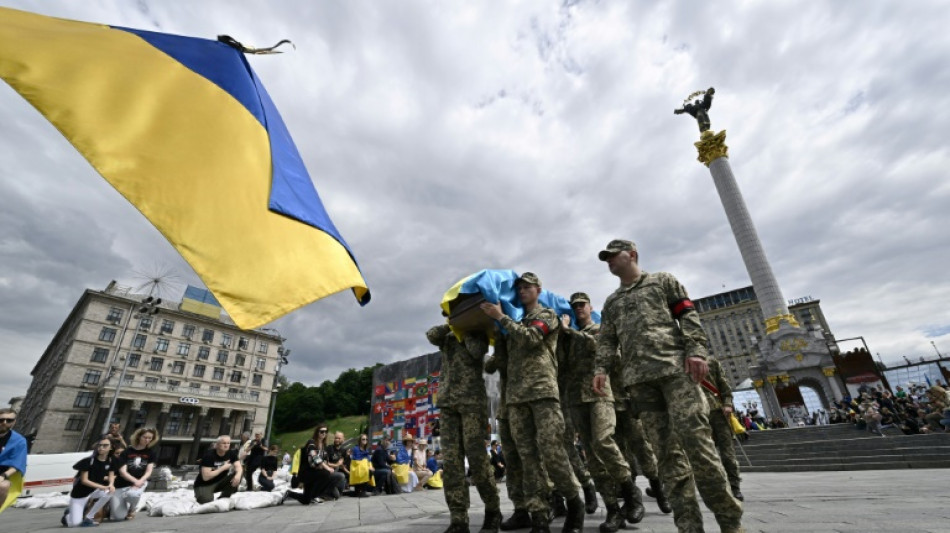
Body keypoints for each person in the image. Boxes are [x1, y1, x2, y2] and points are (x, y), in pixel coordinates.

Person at [592, 239, 743, 533]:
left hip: (676, 373)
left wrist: (696, 350)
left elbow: (687, 315)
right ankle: (689, 527)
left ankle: (730, 523)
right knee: (667, 458)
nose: (609, 261)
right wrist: (600, 369)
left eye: (614, 255)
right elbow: (608, 340)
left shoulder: (663, 281)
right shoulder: (611, 302)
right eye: (605, 258)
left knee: (699, 448)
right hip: (639, 383)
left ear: (632, 255)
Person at [480, 272, 585, 533]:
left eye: (528, 287)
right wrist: (496, 335)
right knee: (528, 458)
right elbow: (500, 362)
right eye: (520, 288)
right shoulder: (511, 324)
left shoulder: (546, 315)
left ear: (538, 289)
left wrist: (500, 317)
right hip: (516, 398)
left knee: (552, 451)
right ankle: (538, 514)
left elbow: (531, 339)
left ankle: (575, 503)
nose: (523, 291)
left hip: (543, 393)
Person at [559, 291, 644, 532]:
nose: (578, 309)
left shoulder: (600, 329)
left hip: (599, 394)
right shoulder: (569, 338)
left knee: (603, 440)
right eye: (574, 306)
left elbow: (605, 351)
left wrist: (570, 332)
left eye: (582, 305)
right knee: (592, 456)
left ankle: (631, 494)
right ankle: (613, 510)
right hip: (576, 399)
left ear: (590, 306)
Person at [427, 323, 501, 533]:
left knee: (477, 459)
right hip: (447, 403)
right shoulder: (447, 333)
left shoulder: (477, 331)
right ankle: (458, 518)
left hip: (471, 402)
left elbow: (477, 353)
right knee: (451, 463)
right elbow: (431, 335)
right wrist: (451, 324)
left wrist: (465, 330)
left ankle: (493, 510)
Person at [701, 358, 744, 501]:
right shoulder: (679, 363)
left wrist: (727, 404)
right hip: (696, 416)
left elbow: (724, 385)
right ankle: (716, 487)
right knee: (705, 455)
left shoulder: (711, 362)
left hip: (718, 413)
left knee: (727, 453)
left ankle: (734, 486)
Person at [65, 437, 117, 527]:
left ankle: (89, 517)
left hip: (93, 492)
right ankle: (68, 515)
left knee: (110, 492)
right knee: (74, 524)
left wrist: (111, 485)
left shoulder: (111, 460)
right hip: (80, 495)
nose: (101, 447)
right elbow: (84, 480)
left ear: (111, 447)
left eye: (105, 445)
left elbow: (111, 475)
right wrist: (103, 487)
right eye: (100, 445)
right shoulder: (89, 461)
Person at [110, 427, 159, 520]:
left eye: (150, 438)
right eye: (145, 437)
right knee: (118, 517)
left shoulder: (151, 453)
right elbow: (122, 472)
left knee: (133, 494)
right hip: (121, 484)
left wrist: (139, 482)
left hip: (140, 481)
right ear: (138, 437)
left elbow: (148, 471)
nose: (147, 440)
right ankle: (122, 505)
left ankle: (132, 509)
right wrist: (135, 481)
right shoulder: (127, 451)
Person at [284, 425, 334, 504]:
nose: (324, 433)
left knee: (306, 500)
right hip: (306, 472)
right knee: (326, 474)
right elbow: (314, 456)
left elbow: (324, 460)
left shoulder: (324, 446)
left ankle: (289, 493)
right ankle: (316, 496)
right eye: (322, 431)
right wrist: (327, 468)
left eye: (326, 432)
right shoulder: (311, 442)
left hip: (315, 472)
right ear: (317, 432)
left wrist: (326, 465)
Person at [194, 435, 243, 504]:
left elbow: (239, 467)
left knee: (238, 474)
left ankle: (224, 496)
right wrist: (223, 468)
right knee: (206, 501)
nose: (226, 445)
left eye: (228, 443)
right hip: (204, 484)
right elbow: (206, 477)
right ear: (217, 445)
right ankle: (200, 494)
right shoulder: (209, 455)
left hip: (220, 481)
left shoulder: (231, 453)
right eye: (224, 443)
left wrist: (238, 475)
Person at [0, 408, 27, 515]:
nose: (4, 423)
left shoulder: (19, 441)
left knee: (3, 486)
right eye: (1, 420)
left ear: (14, 422)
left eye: (9, 420)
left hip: (3, 472)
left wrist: (2, 476)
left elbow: (17, 464)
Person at [326, 431, 349, 497]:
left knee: (339, 494)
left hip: (338, 473)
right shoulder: (329, 448)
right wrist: (336, 465)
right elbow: (325, 463)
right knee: (336, 495)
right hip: (329, 473)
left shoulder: (344, 450)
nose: (337, 440)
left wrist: (348, 472)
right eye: (336, 438)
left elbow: (342, 465)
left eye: (339, 438)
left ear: (343, 439)